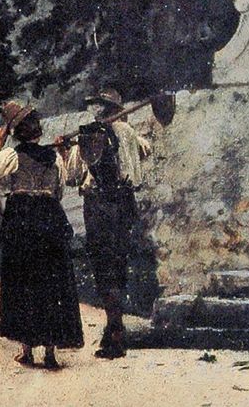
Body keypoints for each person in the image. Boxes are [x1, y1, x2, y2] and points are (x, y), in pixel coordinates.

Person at [0, 103, 82, 370]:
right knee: (51, 280)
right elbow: (59, 191)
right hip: (49, 219)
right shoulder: (55, 158)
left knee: (24, 280)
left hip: (23, 221)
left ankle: (27, 350)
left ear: (16, 133)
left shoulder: (12, 155)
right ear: (37, 129)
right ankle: (49, 352)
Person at [64, 89, 151, 360]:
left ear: (104, 108)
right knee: (119, 266)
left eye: (97, 106)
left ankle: (115, 332)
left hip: (100, 207)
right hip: (125, 204)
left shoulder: (91, 136)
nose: (94, 110)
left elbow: (73, 176)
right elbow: (144, 152)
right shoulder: (128, 132)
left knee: (104, 269)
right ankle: (114, 327)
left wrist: (67, 151)